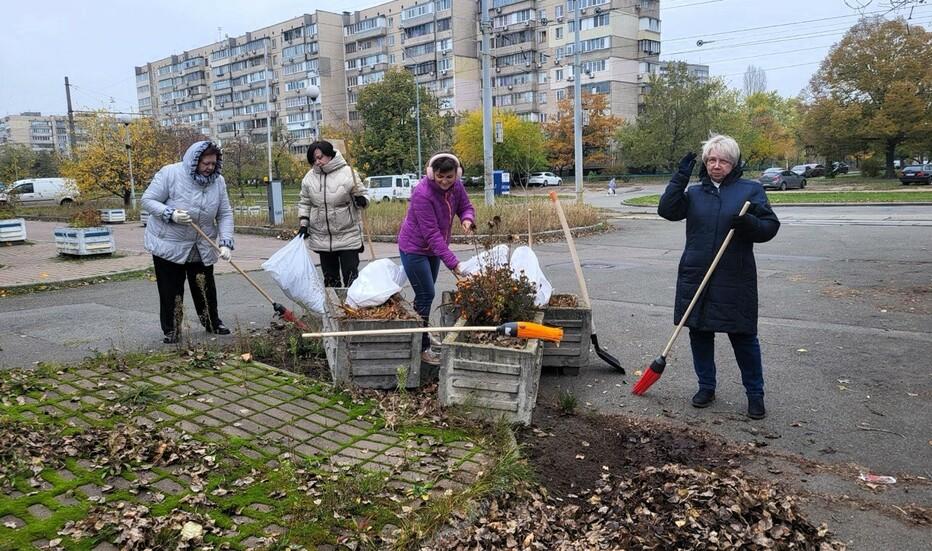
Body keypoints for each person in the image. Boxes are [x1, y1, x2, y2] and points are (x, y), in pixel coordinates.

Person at [657, 134, 780, 419]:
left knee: (744, 337)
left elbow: (770, 227)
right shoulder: (695, 193)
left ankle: (755, 394)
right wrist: (680, 176)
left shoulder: (750, 191)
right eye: (711, 160)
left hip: (734, 276)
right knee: (700, 334)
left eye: (723, 160)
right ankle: (706, 387)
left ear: (733, 163)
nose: (716, 165)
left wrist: (750, 224)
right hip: (697, 273)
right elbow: (667, 210)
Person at [142, 141, 235, 344]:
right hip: (168, 243)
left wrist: (226, 242)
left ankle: (211, 321)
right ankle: (172, 329)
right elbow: (148, 200)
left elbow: (225, 213)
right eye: (205, 163)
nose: (210, 167)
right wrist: (171, 214)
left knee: (205, 286)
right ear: (195, 160)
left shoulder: (218, 182)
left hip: (201, 243)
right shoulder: (170, 174)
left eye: (213, 163)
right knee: (171, 290)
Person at [397, 153, 476, 366]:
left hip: (433, 250)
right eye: (440, 176)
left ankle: (418, 333)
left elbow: (466, 206)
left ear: (457, 174)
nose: (444, 181)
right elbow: (431, 234)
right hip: (414, 248)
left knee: (425, 294)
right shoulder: (422, 193)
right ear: (432, 173)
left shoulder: (456, 187)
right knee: (426, 294)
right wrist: (455, 263)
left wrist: (467, 219)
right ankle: (421, 347)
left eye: (449, 177)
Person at [296, 140, 369, 288]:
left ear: (329, 155)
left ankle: (353, 308)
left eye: (320, 157)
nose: (318, 162)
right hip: (322, 237)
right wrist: (304, 223)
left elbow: (363, 196)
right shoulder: (309, 178)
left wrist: (361, 200)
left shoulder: (348, 173)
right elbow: (305, 202)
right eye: (314, 159)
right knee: (330, 279)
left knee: (351, 277)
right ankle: (334, 308)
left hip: (347, 235)